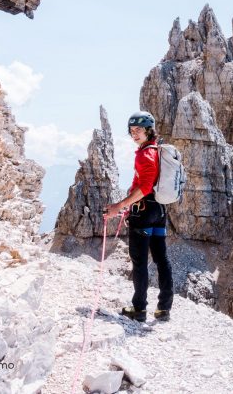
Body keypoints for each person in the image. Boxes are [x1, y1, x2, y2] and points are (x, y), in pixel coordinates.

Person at [104, 111, 173, 322]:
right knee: (161, 259)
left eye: (139, 130)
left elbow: (144, 187)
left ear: (148, 130)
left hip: (143, 213)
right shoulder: (157, 151)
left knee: (140, 262)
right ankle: (164, 308)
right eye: (132, 131)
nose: (134, 134)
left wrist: (119, 206)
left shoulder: (146, 154)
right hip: (159, 210)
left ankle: (139, 309)